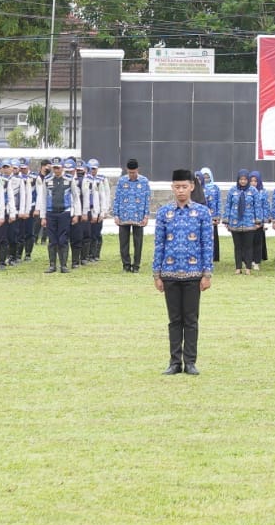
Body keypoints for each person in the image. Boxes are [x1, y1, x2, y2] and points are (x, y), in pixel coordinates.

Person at [154, 169, 214, 376]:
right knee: (174, 320)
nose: (180, 191)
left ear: (192, 187)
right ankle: (174, 362)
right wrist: (157, 274)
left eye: (184, 187)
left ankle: (190, 361)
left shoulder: (202, 212)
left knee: (191, 319)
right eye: (177, 187)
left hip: (193, 273)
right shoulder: (164, 213)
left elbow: (207, 244)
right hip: (169, 273)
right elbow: (158, 245)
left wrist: (207, 274)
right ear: (172, 187)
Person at [113, 159, 152, 274]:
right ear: (127, 170)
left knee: (138, 242)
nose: (132, 175)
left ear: (138, 170)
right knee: (123, 242)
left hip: (138, 216)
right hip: (123, 216)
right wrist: (116, 214)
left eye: (134, 172)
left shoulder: (144, 181)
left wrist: (146, 216)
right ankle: (126, 265)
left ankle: (136, 265)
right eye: (130, 172)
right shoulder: (122, 181)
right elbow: (117, 198)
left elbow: (147, 199)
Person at [222, 170, 264, 275]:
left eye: (245, 179)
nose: (243, 181)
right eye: (241, 179)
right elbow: (228, 206)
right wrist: (226, 220)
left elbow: (257, 206)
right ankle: (238, 267)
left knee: (248, 246)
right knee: (237, 246)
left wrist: (258, 220)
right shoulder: (232, 190)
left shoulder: (253, 191)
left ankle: (248, 268)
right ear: (238, 180)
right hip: (235, 222)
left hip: (249, 223)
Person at [40, 160, 79, 273]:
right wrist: (43, 216)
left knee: (63, 240)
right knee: (52, 240)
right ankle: (52, 265)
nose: (56, 170)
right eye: (54, 168)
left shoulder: (69, 179)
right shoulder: (47, 180)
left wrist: (76, 214)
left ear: (62, 167)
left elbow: (76, 198)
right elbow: (43, 198)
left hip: (64, 213)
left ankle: (64, 265)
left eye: (58, 168)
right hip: (51, 213)